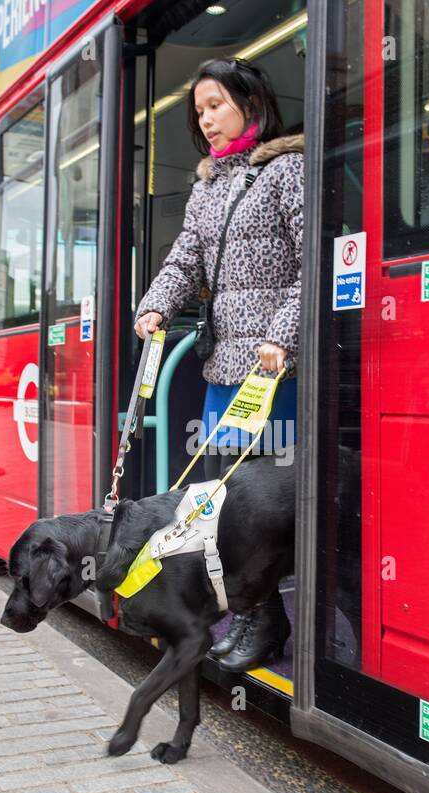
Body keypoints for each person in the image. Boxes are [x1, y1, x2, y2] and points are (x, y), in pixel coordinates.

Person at [132, 58, 303, 673]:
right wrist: (155, 307)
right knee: (222, 502)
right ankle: (257, 615)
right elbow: (184, 263)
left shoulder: (288, 170)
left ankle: (266, 618)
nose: (205, 120)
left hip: (274, 372)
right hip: (222, 370)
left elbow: (318, 264)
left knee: (262, 504)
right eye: (198, 111)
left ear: (250, 103)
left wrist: (283, 337)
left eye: (215, 105)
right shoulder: (205, 188)